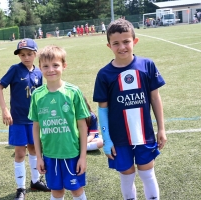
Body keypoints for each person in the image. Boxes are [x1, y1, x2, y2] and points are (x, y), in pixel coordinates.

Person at [93, 19, 167, 200]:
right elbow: (102, 110)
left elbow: (155, 98)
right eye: (116, 43)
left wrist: (162, 129)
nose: (122, 47)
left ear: (135, 41)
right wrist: (107, 140)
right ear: (108, 45)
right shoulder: (104, 74)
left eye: (126, 41)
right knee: (127, 177)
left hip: (144, 134)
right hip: (119, 139)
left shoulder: (147, 65)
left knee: (147, 174)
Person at [28, 45, 90, 200]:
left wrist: (83, 157)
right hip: (49, 154)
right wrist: (39, 157)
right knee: (56, 192)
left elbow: (82, 126)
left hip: (72, 153)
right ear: (40, 68)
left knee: (76, 190)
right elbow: (35, 128)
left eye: (55, 65)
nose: (51, 70)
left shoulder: (73, 92)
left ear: (64, 66)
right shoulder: (37, 95)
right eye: (46, 66)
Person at [0, 38, 50, 200]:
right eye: (22, 55)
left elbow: (41, 95)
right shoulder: (15, 69)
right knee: (20, 153)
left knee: (34, 149)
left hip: (34, 120)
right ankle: (20, 188)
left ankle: (35, 181)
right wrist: (5, 109)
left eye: (29, 54)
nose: (26, 57)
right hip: (18, 119)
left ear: (36, 54)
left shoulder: (39, 72)